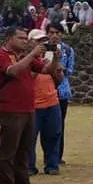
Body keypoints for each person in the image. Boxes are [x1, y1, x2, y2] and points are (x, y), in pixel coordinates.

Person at [0, 26, 55, 184]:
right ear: (9, 39)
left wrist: (55, 60)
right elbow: (12, 71)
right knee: (8, 150)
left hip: (28, 109)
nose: (25, 41)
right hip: (11, 110)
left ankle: (23, 182)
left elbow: (46, 70)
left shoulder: (24, 57)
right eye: (21, 38)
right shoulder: (0, 56)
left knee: (24, 148)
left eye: (26, 38)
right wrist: (32, 54)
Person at [26, 29, 63, 176]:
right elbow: (28, 79)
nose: (42, 44)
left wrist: (55, 63)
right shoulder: (25, 59)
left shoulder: (46, 59)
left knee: (53, 135)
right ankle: (29, 166)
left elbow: (58, 81)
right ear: (30, 43)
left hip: (51, 101)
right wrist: (38, 61)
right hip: (33, 104)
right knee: (30, 138)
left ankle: (52, 165)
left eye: (43, 41)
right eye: (38, 41)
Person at [45, 24, 74, 164]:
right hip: (43, 90)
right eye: (51, 33)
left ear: (61, 34)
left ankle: (57, 156)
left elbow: (70, 70)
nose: (54, 35)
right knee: (42, 125)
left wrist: (61, 69)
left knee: (59, 126)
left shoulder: (68, 50)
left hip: (61, 91)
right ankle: (46, 155)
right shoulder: (41, 49)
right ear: (47, 34)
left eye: (57, 32)